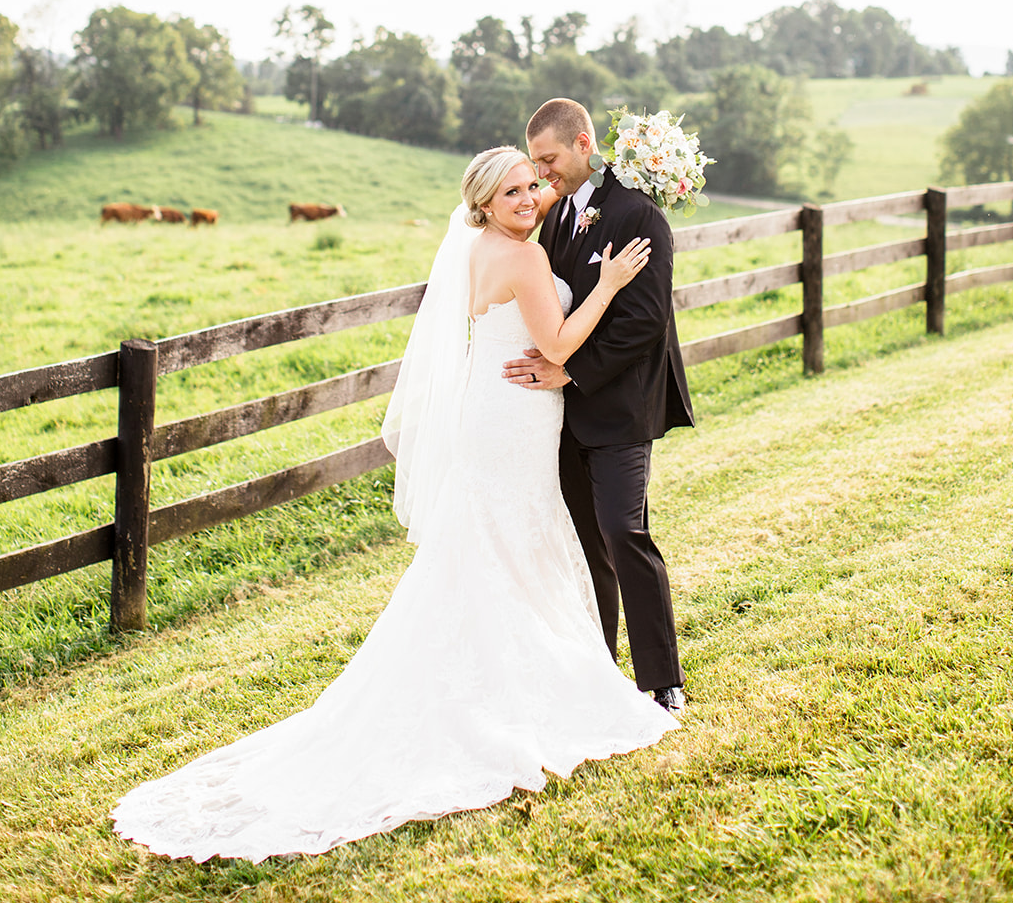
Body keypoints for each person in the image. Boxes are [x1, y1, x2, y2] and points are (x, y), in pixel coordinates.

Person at [111, 146, 677, 863]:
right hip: (516, 420)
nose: (527, 199)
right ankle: (519, 691)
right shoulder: (525, 260)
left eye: (530, 186)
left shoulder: (474, 247)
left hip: (495, 413)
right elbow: (560, 340)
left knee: (492, 549)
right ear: (482, 204)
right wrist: (609, 282)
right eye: (510, 192)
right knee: (512, 545)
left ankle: (505, 675)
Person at [503, 99, 693, 716]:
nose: (541, 174)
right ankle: (598, 669)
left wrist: (567, 369)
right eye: (534, 163)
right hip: (562, 418)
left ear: (584, 144)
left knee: (623, 532)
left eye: (549, 160)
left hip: (620, 411)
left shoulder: (638, 215)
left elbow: (644, 324)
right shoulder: (555, 218)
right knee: (586, 546)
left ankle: (663, 681)